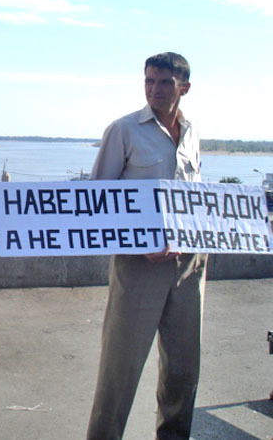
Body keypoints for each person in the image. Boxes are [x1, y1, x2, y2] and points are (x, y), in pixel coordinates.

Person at [86, 52, 208, 440]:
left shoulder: (192, 132)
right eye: (149, 81)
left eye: (165, 82)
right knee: (119, 369)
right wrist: (140, 242)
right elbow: (97, 202)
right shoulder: (123, 130)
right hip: (139, 265)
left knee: (183, 368)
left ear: (184, 88)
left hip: (189, 265)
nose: (155, 89)